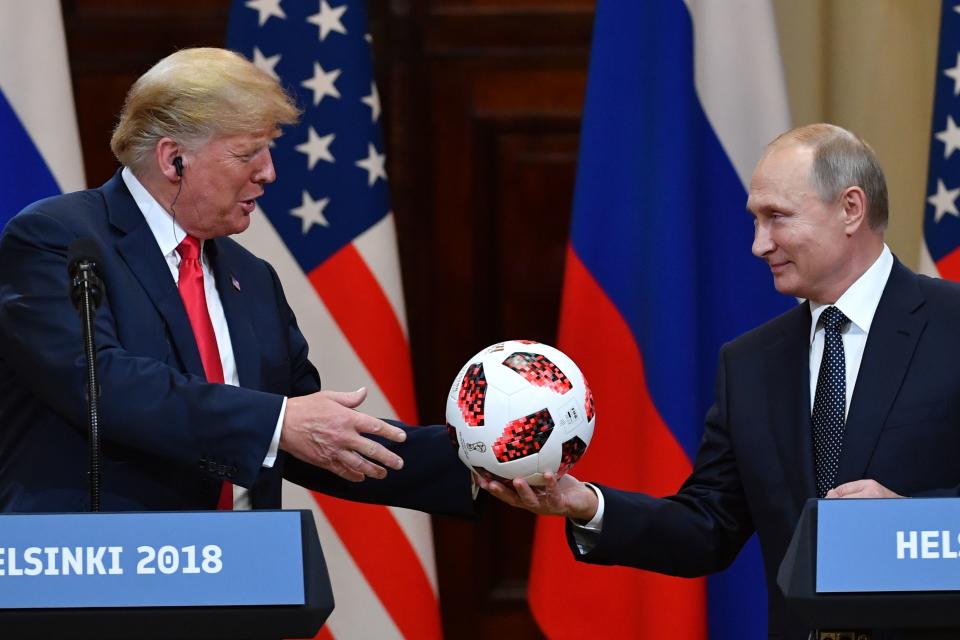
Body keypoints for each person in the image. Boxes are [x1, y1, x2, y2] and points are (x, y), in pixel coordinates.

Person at [479, 123, 960, 640]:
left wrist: (914, 522)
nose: (758, 244)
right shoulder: (751, 363)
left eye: (776, 217)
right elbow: (706, 528)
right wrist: (586, 504)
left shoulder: (951, 325)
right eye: (755, 221)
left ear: (850, 209)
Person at [0, 47, 472, 518]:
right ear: (173, 159)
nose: (269, 172)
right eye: (248, 153)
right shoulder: (60, 238)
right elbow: (101, 383)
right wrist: (279, 421)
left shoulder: (253, 279)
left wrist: (484, 468)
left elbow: (312, 436)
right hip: (102, 573)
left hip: (244, 576)